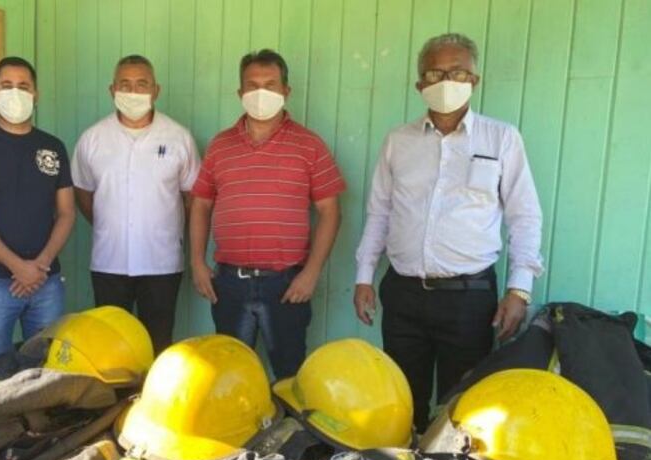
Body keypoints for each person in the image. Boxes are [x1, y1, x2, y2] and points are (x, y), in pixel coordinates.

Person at [353, 33, 543, 430]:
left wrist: (519, 290)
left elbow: (524, 216)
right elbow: (380, 212)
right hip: (403, 294)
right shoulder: (398, 141)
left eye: (457, 73)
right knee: (403, 402)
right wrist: (364, 276)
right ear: (419, 84)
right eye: (435, 73)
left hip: (468, 298)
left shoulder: (501, 138)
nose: (446, 82)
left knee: (462, 408)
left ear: (474, 80)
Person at [189, 49, 345, 379]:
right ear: (240, 92)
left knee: (289, 377)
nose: (261, 93)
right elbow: (200, 204)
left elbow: (330, 211)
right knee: (229, 377)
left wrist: (311, 273)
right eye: (252, 85)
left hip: (286, 284)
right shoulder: (220, 146)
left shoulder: (309, 145)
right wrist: (197, 262)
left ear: (286, 90)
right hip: (229, 283)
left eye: (270, 85)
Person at [72, 55, 201, 353]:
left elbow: (192, 197)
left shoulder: (179, 137)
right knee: (110, 349)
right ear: (112, 90)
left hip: (161, 262)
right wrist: (109, 223)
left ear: (156, 90)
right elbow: (83, 193)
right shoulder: (92, 139)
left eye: (142, 84)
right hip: (109, 261)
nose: (133, 92)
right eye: (125, 84)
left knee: (158, 345)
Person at [0, 56, 75, 357]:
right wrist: (19, 267)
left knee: (45, 368)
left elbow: (67, 213)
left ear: (35, 94)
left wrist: (40, 265)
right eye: (7, 86)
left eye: (24, 86)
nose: (15, 93)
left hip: (46, 281)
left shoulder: (53, 147)